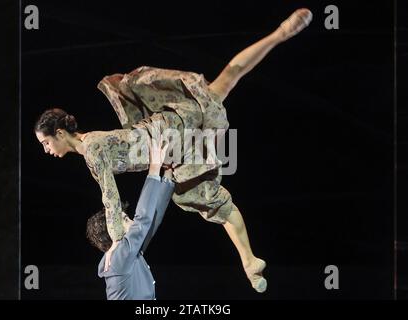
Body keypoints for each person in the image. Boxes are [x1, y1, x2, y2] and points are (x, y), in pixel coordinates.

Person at [35, 8, 313, 293]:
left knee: (225, 82)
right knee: (199, 196)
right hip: (168, 152)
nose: (46, 150)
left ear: (60, 133)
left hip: (166, 132)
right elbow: (113, 201)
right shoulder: (90, 149)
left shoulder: (91, 148)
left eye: (45, 142)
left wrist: (119, 243)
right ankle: (249, 260)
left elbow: (111, 200)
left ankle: (281, 32)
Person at [86, 134, 174, 300]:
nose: (131, 221)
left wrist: (168, 174)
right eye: (126, 220)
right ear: (113, 230)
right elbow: (143, 220)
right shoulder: (118, 258)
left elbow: (152, 221)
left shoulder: (126, 255)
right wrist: (154, 168)